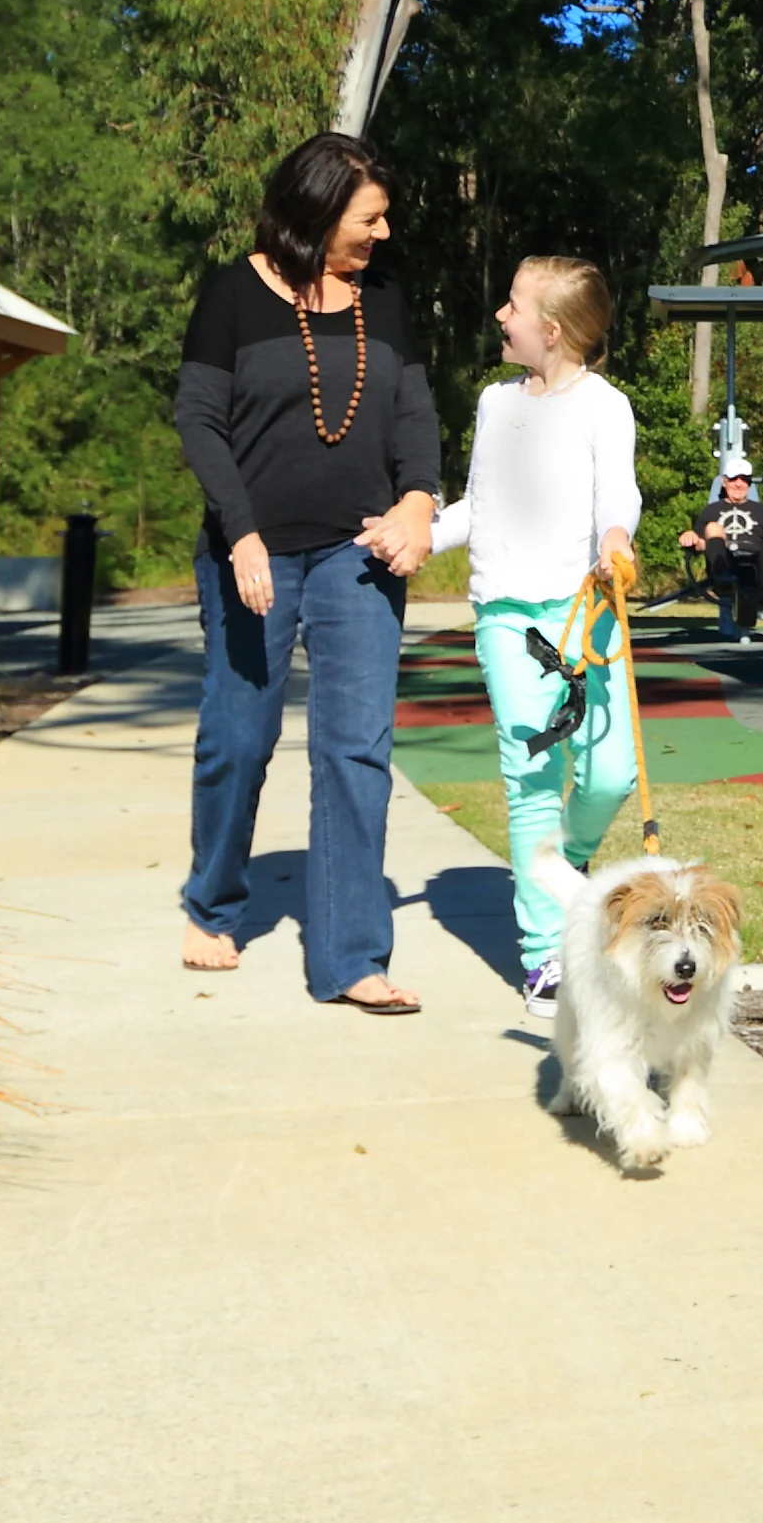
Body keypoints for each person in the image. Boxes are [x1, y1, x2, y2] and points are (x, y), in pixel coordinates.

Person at [170, 131, 443, 1011]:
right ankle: (212, 904)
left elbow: (414, 416)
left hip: (357, 554)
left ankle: (352, 957)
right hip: (251, 551)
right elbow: (200, 423)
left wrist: (420, 501)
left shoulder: (386, 298)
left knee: (356, 749)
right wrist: (241, 535)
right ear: (318, 211)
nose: (385, 233)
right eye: (371, 217)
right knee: (239, 738)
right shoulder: (233, 294)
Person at [429, 256, 645, 1002]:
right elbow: (479, 506)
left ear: (549, 331)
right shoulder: (496, 405)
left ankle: (567, 861)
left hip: (584, 613)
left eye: (512, 306)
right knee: (532, 778)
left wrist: (617, 538)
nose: (500, 316)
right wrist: (419, 537)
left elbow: (618, 492)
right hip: (508, 616)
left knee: (611, 772)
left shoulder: (604, 406)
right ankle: (544, 955)